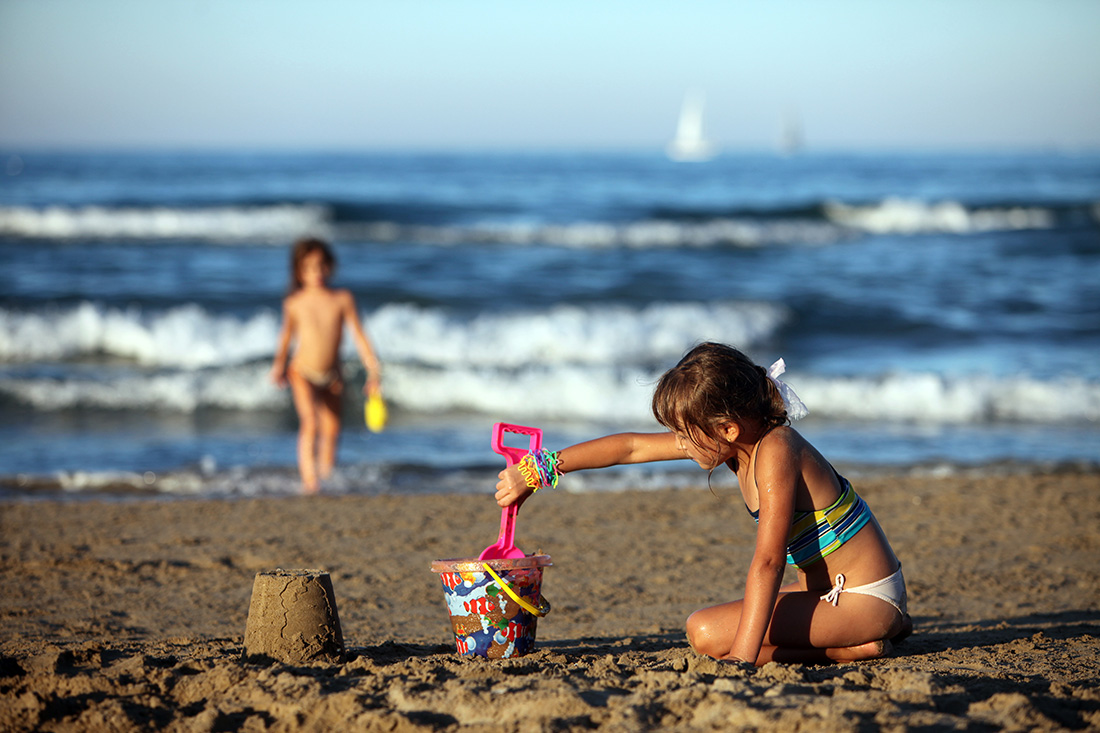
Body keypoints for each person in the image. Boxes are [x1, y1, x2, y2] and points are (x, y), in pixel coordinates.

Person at [494, 342, 911, 666]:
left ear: (728, 428)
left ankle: (847, 646)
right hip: (825, 591)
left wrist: (743, 660)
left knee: (707, 632)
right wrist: (537, 471)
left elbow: (768, 562)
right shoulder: (734, 445)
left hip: (862, 598)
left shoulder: (776, 451)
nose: (681, 443)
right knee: (709, 632)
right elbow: (631, 448)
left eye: (685, 434)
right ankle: (850, 644)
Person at [270, 237, 383, 494]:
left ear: (330, 266)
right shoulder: (294, 302)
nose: (317, 273)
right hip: (302, 372)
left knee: (332, 427)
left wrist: (373, 370)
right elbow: (285, 338)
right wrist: (279, 366)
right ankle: (310, 481)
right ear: (299, 271)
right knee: (310, 422)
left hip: (332, 374)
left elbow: (360, 335)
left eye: (321, 266)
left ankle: (326, 473)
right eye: (309, 267)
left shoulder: (342, 298)